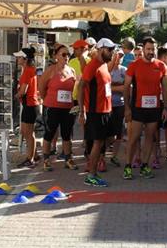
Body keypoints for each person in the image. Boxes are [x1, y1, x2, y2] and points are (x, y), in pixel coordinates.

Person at [123, 37, 167, 180]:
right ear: (143, 49)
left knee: (150, 137)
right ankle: (128, 166)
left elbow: (165, 88)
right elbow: (126, 87)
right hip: (137, 107)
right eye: (148, 49)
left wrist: (165, 107)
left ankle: (144, 165)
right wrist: (127, 108)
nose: (150, 52)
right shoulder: (134, 65)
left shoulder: (161, 65)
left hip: (154, 108)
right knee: (134, 137)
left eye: (153, 49)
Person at [78, 38, 115, 187]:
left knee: (107, 141)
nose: (112, 52)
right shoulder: (92, 66)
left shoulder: (104, 65)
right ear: (101, 49)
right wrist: (82, 110)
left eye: (112, 50)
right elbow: (81, 87)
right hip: (95, 111)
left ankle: (93, 169)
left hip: (106, 110)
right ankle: (91, 175)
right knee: (97, 142)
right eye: (109, 50)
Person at [39, 44, 78, 171]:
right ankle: (46, 160)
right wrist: (47, 100)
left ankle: (68, 159)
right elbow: (41, 88)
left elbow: (75, 89)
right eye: (64, 54)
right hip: (52, 107)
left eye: (68, 54)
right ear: (56, 56)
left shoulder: (72, 71)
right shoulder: (50, 70)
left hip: (68, 108)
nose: (66, 57)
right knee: (49, 133)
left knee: (67, 134)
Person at [14, 48, 40, 167]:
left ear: (25, 59)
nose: (17, 59)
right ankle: (34, 155)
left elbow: (23, 91)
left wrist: (16, 95)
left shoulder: (28, 71)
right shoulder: (29, 69)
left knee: (28, 133)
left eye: (19, 57)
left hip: (30, 105)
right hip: (29, 105)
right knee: (25, 132)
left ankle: (30, 159)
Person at [107, 49, 127, 169]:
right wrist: (118, 87)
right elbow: (104, 87)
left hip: (120, 105)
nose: (119, 58)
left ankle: (114, 156)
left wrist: (112, 87)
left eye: (121, 56)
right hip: (107, 106)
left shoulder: (124, 70)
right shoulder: (106, 69)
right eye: (117, 56)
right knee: (107, 133)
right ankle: (101, 157)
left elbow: (127, 88)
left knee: (118, 133)